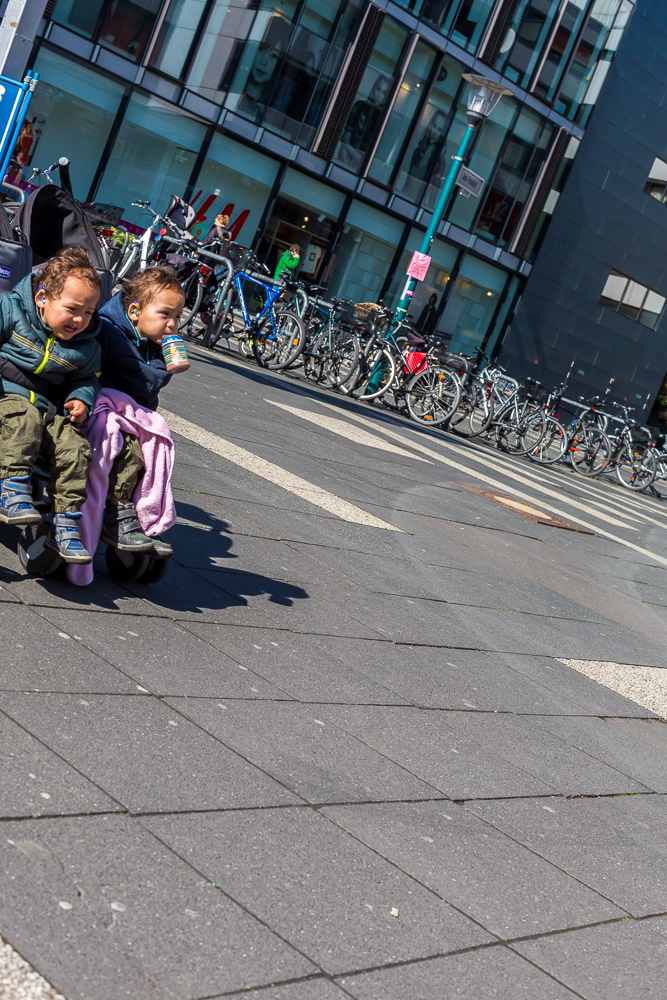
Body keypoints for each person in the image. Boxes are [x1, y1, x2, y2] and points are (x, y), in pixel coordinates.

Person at [0, 247, 102, 563]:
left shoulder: (86, 346)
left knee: (75, 447)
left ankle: (66, 521)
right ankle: (11, 489)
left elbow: (87, 378)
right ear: (42, 298)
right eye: (72, 309)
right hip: (7, 396)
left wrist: (82, 397)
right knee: (23, 418)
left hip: (49, 408)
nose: (80, 319)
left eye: (89, 312)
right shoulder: (10, 310)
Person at [96, 265, 185, 553]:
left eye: (178, 317)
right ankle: (117, 514)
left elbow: (149, 386)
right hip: (103, 409)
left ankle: (146, 517)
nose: (172, 324)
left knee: (156, 453)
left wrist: (166, 363)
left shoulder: (154, 344)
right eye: (165, 314)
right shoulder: (108, 331)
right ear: (134, 311)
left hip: (134, 414)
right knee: (129, 451)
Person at [338, 74, 390, 169]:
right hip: (346, 157)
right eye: (378, 89)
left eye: (383, 92)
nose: (379, 95)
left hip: (361, 165)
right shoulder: (359, 106)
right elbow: (345, 138)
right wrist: (346, 161)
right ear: (374, 88)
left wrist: (359, 161)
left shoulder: (383, 117)